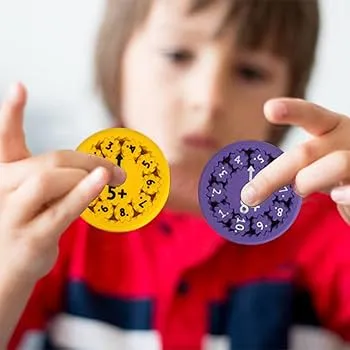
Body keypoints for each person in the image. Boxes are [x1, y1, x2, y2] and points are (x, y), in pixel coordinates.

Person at [2, 0, 350, 349]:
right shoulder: (54, 227)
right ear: (116, 60)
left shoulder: (333, 229)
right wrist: (9, 267)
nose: (208, 98)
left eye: (250, 72)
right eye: (177, 55)